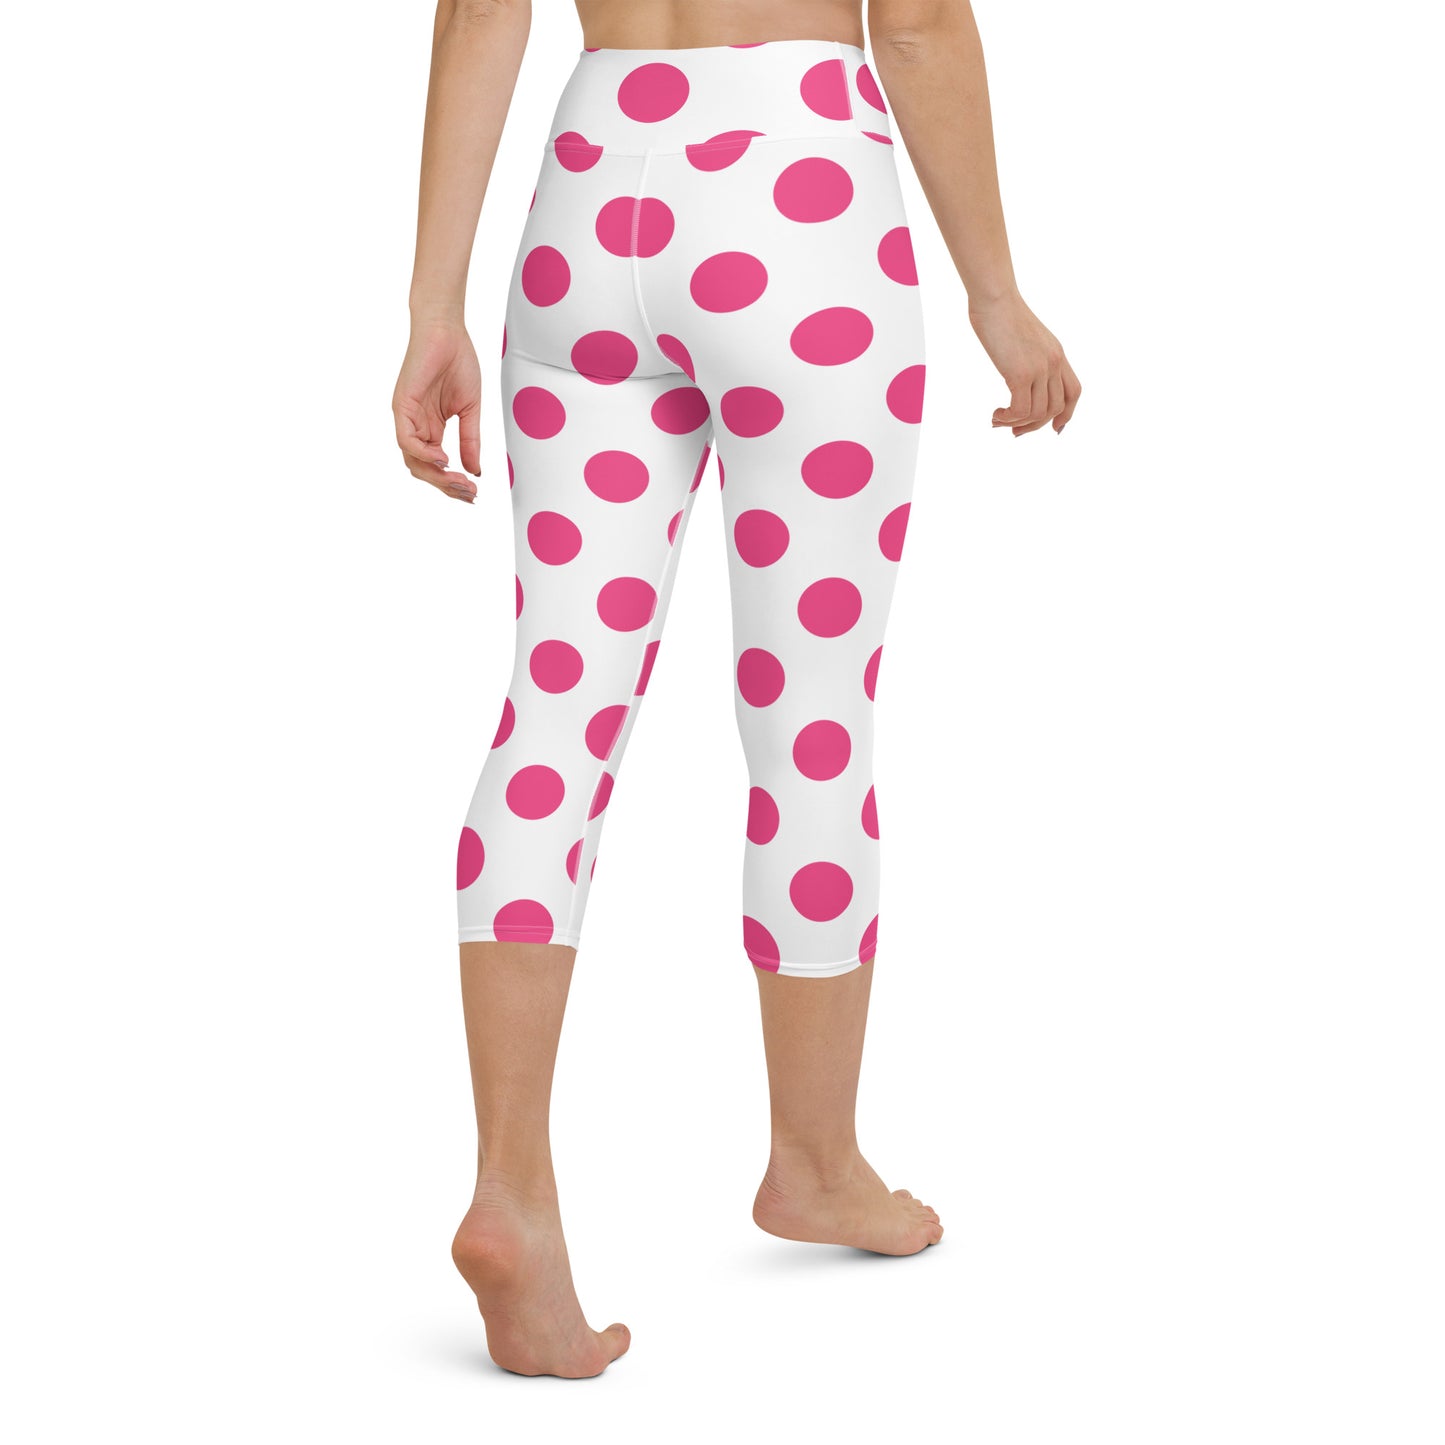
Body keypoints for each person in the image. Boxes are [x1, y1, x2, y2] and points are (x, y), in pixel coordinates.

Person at [392, 0, 1081, 1379]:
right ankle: (813, 1161)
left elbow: (481, 11)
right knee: (810, 722)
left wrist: (432, 307)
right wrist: (996, 295)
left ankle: (512, 1184)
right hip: (797, 208)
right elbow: (919, 27)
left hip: (590, 198)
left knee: (553, 711)